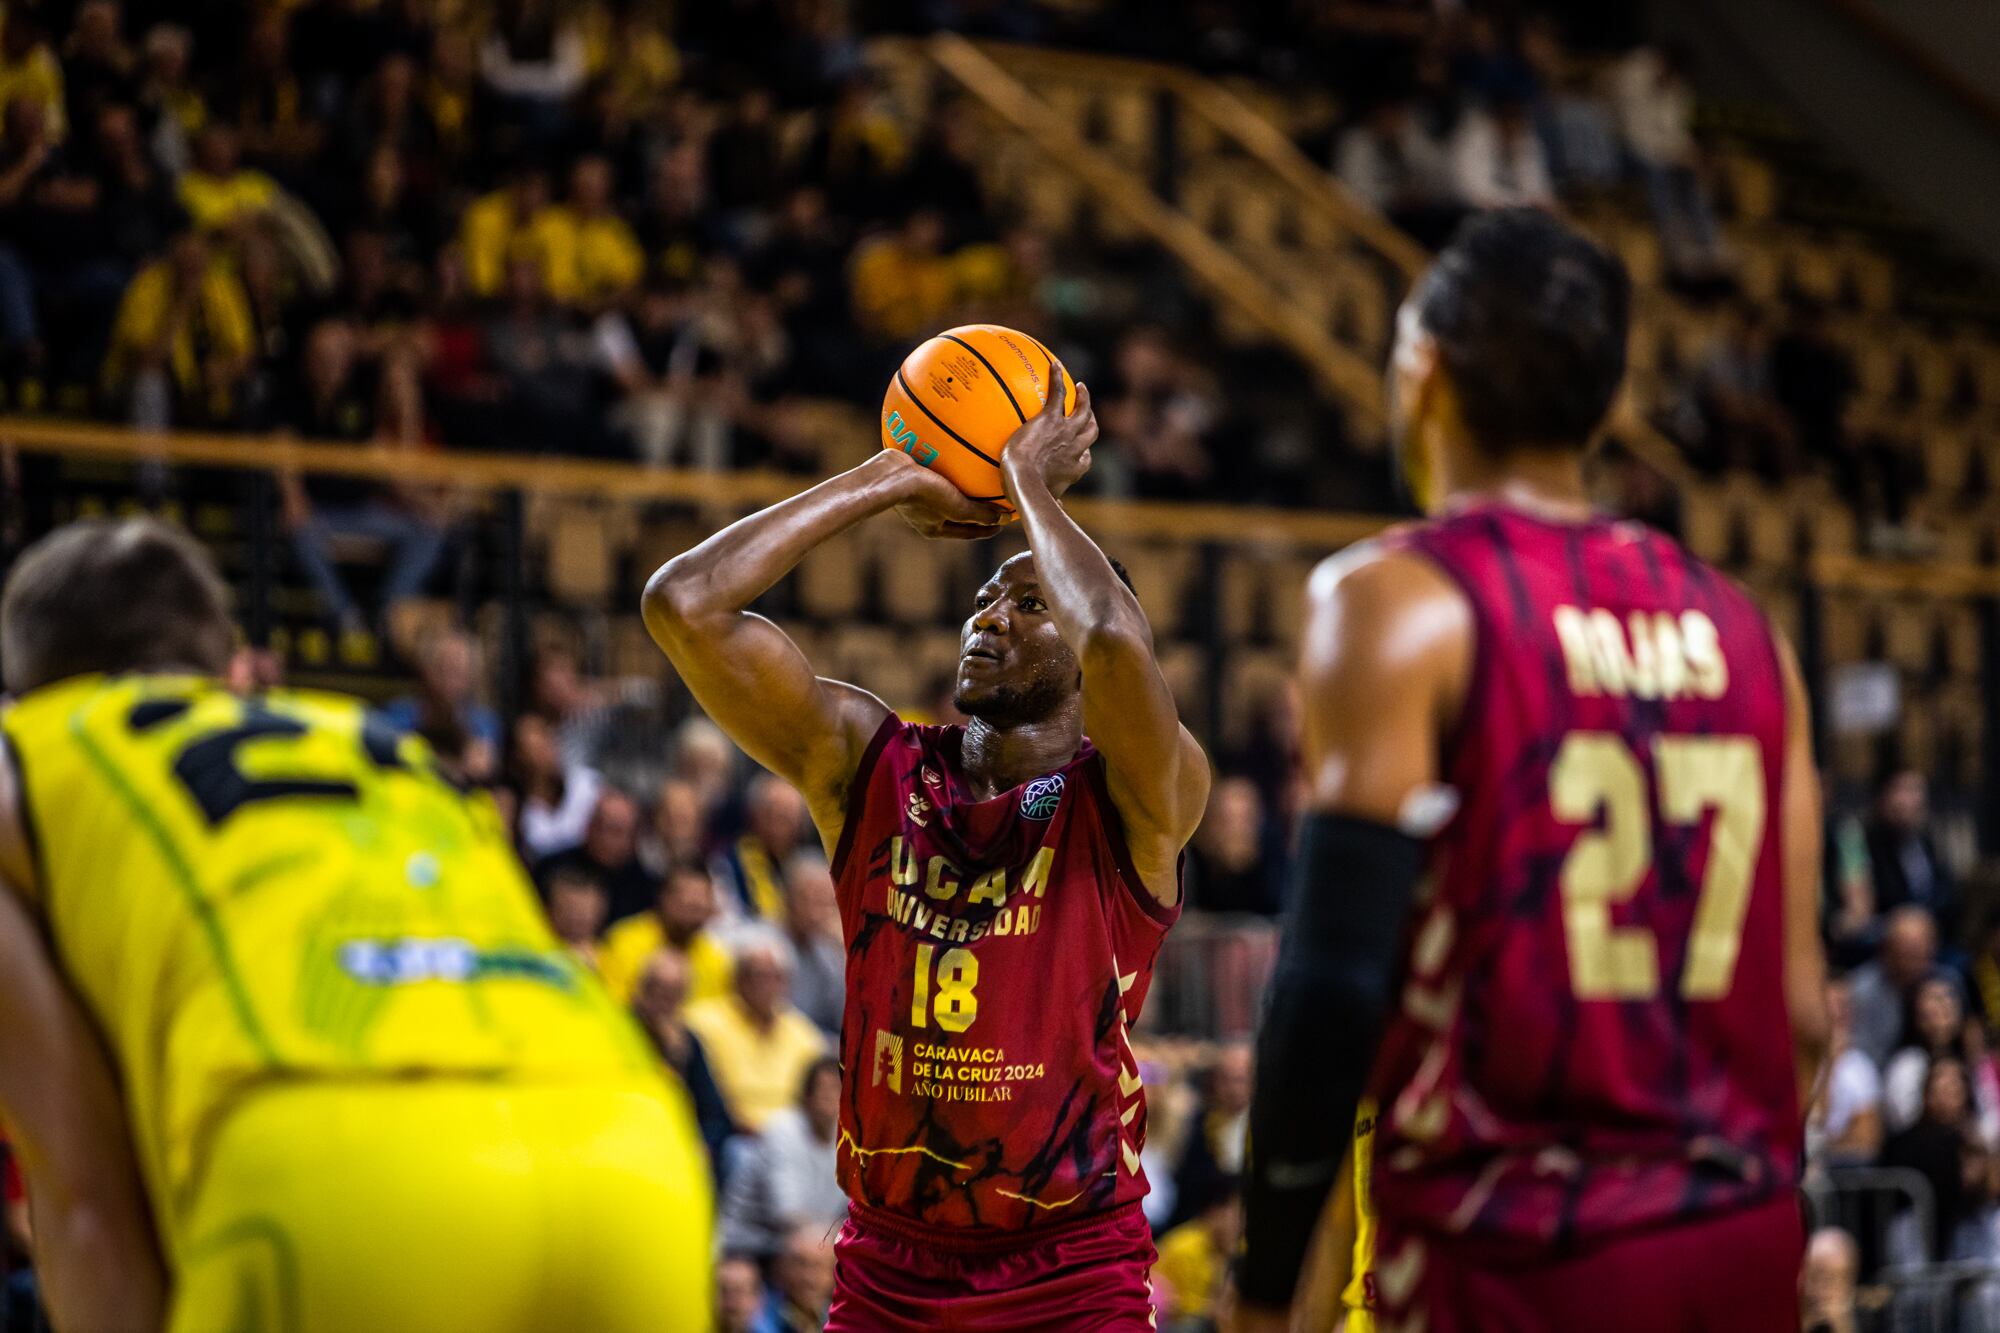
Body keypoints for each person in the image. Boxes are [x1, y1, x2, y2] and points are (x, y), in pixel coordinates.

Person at [1234, 209, 1828, 1332]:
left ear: (1421, 372)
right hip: (1735, 1243)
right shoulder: (1746, 631)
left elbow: (1328, 991)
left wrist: (1263, 1289)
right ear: (1605, 408)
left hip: (1514, 1250)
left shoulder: (1396, 602)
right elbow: (1800, 1016)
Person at [0, 518, 711, 1332]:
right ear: (228, 669)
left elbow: (85, 1200)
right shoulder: (377, 745)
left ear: (27, 690)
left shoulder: (27, 755)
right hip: (630, 1155)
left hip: (331, 1172)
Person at [644, 371, 1207, 1327]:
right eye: (986, 596)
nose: (988, 616)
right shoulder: (870, 764)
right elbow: (683, 603)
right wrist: (891, 475)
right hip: (889, 1264)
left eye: (1028, 606)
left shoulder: (1136, 799)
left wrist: (1028, 486)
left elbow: (1115, 639)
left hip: (1068, 1269)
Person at [683, 929, 828, 1134]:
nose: (765, 985)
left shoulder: (802, 1033)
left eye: (774, 977)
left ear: (786, 983)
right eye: (757, 976)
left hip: (790, 1137)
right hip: (730, 1132)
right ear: (737, 979)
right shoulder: (703, 1022)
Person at [720, 1057, 846, 1258]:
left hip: (808, 1244)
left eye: (836, 1089)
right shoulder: (782, 1129)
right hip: (747, 1246)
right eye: (823, 1088)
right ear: (806, 1095)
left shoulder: (846, 1140)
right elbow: (786, 1215)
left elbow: (845, 1216)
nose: (829, 1097)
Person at [633, 947, 734, 1172]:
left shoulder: (689, 1040)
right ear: (642, 991)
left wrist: (706, 1144)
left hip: (681, 1138)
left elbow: (713, 1112)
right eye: (660, 991)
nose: (666, 1002)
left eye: (675, 994)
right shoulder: (624, 1032)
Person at [598, 858, 733, 1007]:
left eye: (699, 907)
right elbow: (613, 1005)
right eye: (686, 904)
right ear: (663, 898)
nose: (693, 914)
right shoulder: (625, 940)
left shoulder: (714, 957)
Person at [538, 787, 660, 924]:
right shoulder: (550, 869)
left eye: (615, 830)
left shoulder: (647, 891)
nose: (603, 836)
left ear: (633, 838)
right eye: (598, 824)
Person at [1867, 769, 1959, 942]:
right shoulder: (1868, 844)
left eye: (1916, 790)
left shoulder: (1926, 841)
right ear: (1883, 796)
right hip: (1889, 939)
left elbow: (1947, 890)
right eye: (1902, 790)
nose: (1909, 800)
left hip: (1933, 936)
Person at [1849, 905, 1939, 1067]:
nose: (1916, 955)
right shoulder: (1862, 991)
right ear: (1888, 948)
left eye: (1921, 946)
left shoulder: (1944, 985)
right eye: (1907, 948)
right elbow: (1860, 1058)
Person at [1811, 978, 1884, 1166]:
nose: (1840, 1013)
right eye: (1833, 1004)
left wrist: (1821, 1149)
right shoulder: (1798, 1059)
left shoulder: (1860, 1066)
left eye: (1845, 1005)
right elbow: (1812, 1120)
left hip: (1839, 1170)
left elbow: (1865, 1140)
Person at [780, 851, 844, 1036]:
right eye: (811, 900)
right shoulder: (765, 947)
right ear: (788, 899)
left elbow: (842, 1019)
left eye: (827, 903)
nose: (819, 913)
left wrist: (845, 952)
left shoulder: (828, 951)